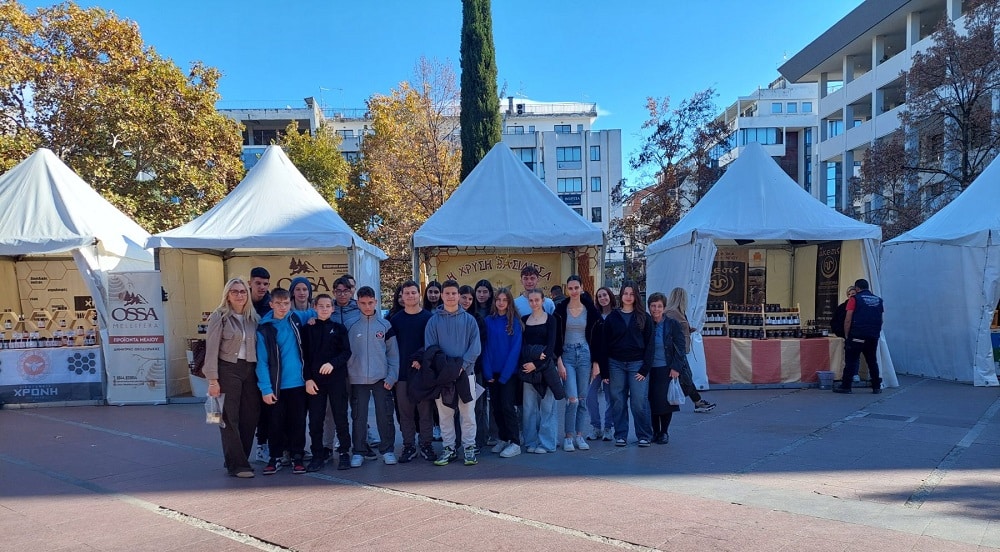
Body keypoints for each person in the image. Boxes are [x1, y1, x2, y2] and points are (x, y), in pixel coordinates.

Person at [204, 277, 260, 478]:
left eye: (243, 291)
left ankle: (237, 458)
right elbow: (211, 349)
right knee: (229, 418)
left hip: (250, 370)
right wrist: (213, 380)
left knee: (250, 417)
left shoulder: (253, 318)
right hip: (228, 369)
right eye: (234, 291)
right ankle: (238, 465)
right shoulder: (219, 317)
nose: (239, 295)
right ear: (227, 295)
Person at [425, 280, 481, 466]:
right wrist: (446, 369)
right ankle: (449, 448)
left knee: (468, 414)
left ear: (458, 296)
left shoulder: (469, 320)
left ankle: (469, 448)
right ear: (442, 295)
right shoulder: (433, 321)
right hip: (443, 376)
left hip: (466, 374)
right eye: (447, 293)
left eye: (453, 293)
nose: (450, 296)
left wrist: (461, 366)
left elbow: (475, 347)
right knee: (445, 414)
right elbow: (431, 349)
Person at [255, 287, 308, 475]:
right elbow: (261, 362)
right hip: (276, 385)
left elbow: (319, 311)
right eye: (278, 303)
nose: (283, 307)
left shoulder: (296, 319)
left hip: (298, 384)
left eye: (286, 303)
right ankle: (275, 457)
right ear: (271, 304)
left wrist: (315, 318)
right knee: (275, 423)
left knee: (298, 422)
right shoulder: (264, 328)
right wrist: (265, 388)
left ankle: (297, 456)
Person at [347, 286, 400, 467]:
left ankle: (387, 450)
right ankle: (358, 451)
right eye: (363, 303)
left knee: (384, 415)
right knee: (358, 417)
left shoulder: (385, 326)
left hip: (381, 378)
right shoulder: (351, 325)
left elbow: (393, 354)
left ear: (376, 302)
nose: (367, 306)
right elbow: (344, 352)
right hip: (357, 379)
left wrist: (391, 376)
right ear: (358, 303)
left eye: (370, 303)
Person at [597, 281, 654, 448]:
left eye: (632, 294)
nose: (628, 297)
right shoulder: (612, 317)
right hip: (616, 364)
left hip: (638, 365)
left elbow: (650, 345)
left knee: (638, 401)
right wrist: (605, 371)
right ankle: (620, 435)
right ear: (621, 295)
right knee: (618, 400)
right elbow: (603, 345)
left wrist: (645, 369)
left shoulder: (644, 317)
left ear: (636, 296)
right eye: (625, 293)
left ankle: (644, 435)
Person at [301, 293, 352, 472]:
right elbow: (304, 357)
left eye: (328, 306)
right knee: (316, 420)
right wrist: (308, 379)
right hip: (315, 382)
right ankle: (317, 455)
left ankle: (344, 452)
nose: (324, 309)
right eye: (321, 306)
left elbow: (346, 352)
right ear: (314, 307)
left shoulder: (339, 328)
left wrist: (333, 364)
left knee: (340, 417)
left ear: (333, 308)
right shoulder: (307, 329)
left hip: (336, 380)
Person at [389, 280, 436, 463]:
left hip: (423, 374)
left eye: (413, 292)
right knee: (405, 413)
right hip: (402, 374)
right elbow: (390, 348)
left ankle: (426, 444)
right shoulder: (395, 320)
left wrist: (421, 359)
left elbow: (432, 344)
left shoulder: (428, 318)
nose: (410, 296)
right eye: (406, 293)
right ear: (402, 296)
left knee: (425, 412)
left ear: (419, 294)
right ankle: (409, 445)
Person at [554, 276, 600, 452]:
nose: (574, 291)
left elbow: (597, 337)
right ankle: (568, 436)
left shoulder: (590, 310)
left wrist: (596, 363)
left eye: (576, 288)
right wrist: (558, 361)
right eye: (571, 288)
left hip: (585, 354)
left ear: (581, 288)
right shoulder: (560, 310)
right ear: (567, 289)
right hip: (567, 355)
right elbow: (556, 337)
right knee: (572, 399)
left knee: (582, 399)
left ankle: (579, 435)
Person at [520, 289, 563, 454]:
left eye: (537, 300)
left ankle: (547, 443)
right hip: (528, 368)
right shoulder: (524, 320)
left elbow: (550, 348)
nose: (534, 303)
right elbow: (523, 346)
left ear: (543, 300)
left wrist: (536, 364)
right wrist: (530, 363)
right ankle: (531, 441)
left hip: (546, 368)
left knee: (547, 406)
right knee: (529, 407)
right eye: (531, 300)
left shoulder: (551, 320)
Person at [482, 288, 523, 458]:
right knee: (496, 407)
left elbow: (515, 350)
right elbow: (485, 347)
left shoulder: (514, 322)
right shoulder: (488, 321)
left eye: (504, 300)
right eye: (498, 299)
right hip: (493, 373)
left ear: (509, 302)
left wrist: (506, 374)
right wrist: (488, 372)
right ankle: (504, 438)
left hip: (509, 373)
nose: (501, 303)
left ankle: (515, 442)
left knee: (507, 406)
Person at [664, 287, 716, 413]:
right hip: (676, 351)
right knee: (686, 377)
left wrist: (688, 329)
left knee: (686, 377)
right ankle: (696, 402)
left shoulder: (677, 312)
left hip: (679, 350)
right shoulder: (672, 313)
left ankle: (697, 402)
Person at [646, 292, 686, 445]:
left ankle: (664, 432)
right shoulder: (646, 323)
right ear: (649, 307)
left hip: (666, 368)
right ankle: (655, 431)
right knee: (651, 401)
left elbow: (681, 347)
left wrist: (676, 367)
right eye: (653, 306)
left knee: (665, 402)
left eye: (659, 306)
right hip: (649, 369)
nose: (656, 309)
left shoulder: (672, 324)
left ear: (664, 307)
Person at [836, 278, 884, 394]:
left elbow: (848, 319)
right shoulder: (878, 300)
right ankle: (876, 386)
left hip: (857, 335)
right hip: (873, 336)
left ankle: (846, 386)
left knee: (851, 361)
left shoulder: (854, 299)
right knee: (872, 361)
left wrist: (847, 335)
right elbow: (881, 320)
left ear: (857, 288)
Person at [460, 284, 490, 453]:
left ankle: (478, 440)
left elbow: (480, 346)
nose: (467, 301)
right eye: (464, 297)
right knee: (455, 408)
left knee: (477, 407)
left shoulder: (477, 319)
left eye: (470, 298)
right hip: (454, 369)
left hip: (475, 369)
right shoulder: (450, 317)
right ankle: (457, 441)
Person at [249, 266, 272, 463]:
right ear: (250, 283)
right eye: (258, 283)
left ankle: (265, 445)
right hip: (245, 364)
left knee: (268, 408)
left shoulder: (271, 304)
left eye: (265, 284)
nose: (262, 287)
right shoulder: (241, 302)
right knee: (249, 408)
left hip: (267, 364)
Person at [586, 286, 616, 442]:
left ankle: (608, 428)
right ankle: (596, 427)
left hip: (613, 362)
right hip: (597, 362)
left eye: (605, 295)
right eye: (599, 296)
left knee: (610, 396)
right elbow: (592, 341)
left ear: (610, 296)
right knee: (590, 395)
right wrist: (595, 362)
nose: (603, 298)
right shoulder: (595, 317)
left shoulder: (617, 315)